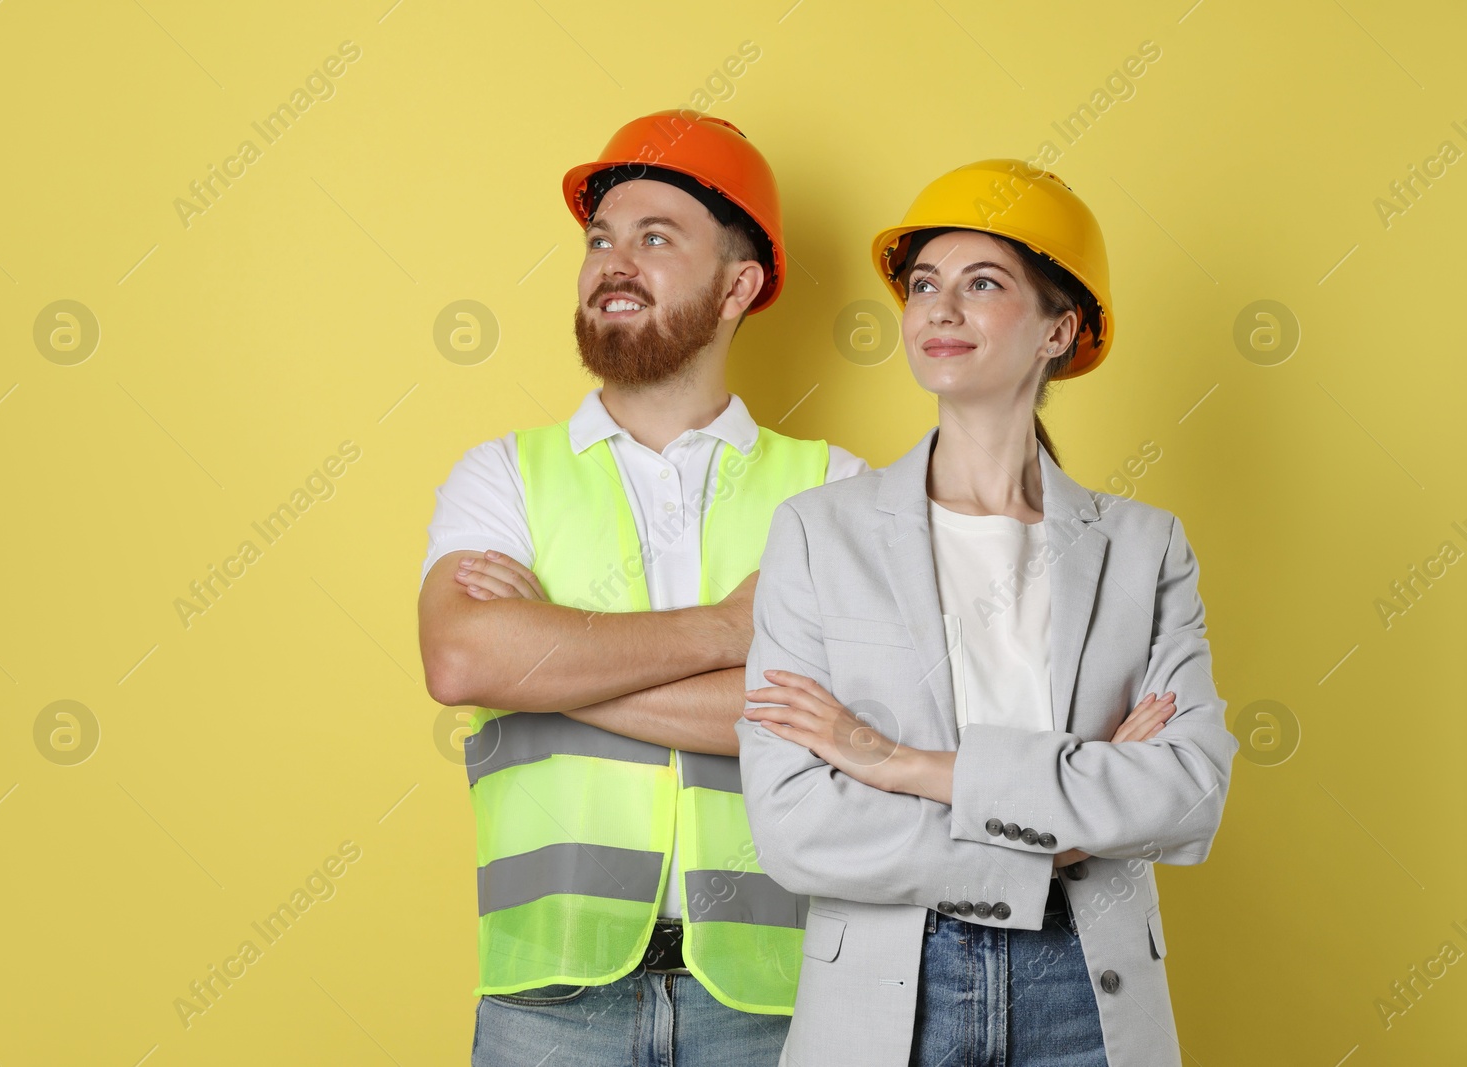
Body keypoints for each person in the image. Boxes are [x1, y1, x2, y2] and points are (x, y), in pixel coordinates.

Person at [735, 159, 1240, 1066]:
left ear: (1059, 329)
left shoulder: (1144, 546)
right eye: (923, 284)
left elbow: (1188, 791)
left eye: (983, 285)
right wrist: (1053, 833)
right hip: (886, 988)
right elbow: (793, 822)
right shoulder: (818, 532)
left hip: (1086, 989)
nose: (939, 309)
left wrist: (899, 762)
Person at [417, 110, 872, 1067]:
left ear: (739, 284)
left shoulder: (838, 491)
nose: (613, 261)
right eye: (600, 239)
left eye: (656, 237)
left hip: (779, 999)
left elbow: (849, 724)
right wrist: (732, 628)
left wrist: (549, 666)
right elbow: (462, 658)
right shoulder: (501, 474)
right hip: (549, 999)